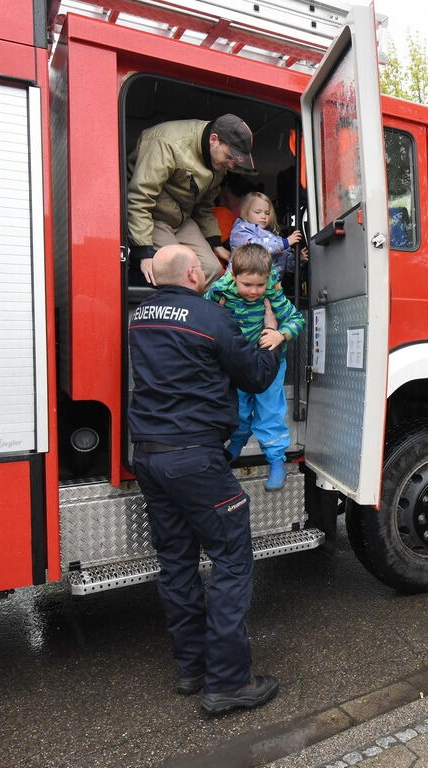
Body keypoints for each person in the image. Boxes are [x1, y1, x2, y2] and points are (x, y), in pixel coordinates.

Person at [127, 245, 281, 715]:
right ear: (194, 273)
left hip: (150, 458)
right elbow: (253, 377)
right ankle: (230, 682)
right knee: (232, 561)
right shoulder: (212, 318)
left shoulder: (138, 315)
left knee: (176, 563)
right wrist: (272, 339)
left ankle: (191, 669)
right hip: (196, 460)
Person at [206, 244, 305, 491]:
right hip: (237, 364)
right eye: (247, 285)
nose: (253, 291)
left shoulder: (272, 292)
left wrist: (280, 335)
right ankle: (236, 445)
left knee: (269, 412)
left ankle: (276, 461)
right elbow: (201, 316)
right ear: (234, 276)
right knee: (237, 411)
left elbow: (297, 320)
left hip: (270, 365)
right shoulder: (220, 293)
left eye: (259, 285)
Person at [127, 115, 256, 287]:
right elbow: (139, 198)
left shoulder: (218, 161)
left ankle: (199, 311)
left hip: (182, 219)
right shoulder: (168, 144)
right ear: (214, 139)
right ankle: (179, 311)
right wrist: (143, 252)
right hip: (151, 216)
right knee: (181, 273)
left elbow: (205, 205)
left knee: (212, 269)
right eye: (229, 157)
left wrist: (216, 245)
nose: (231, 165)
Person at [229, 191, 308, 276]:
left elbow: (283, 264)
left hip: (267, 285)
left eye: (267, 213)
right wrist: (285, 242)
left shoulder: (272, 237)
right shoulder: (241, 230)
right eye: (258, 212)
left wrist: (297, 259)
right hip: (244, 282)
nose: (263, 216)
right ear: (246, 212)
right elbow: (255, 249)